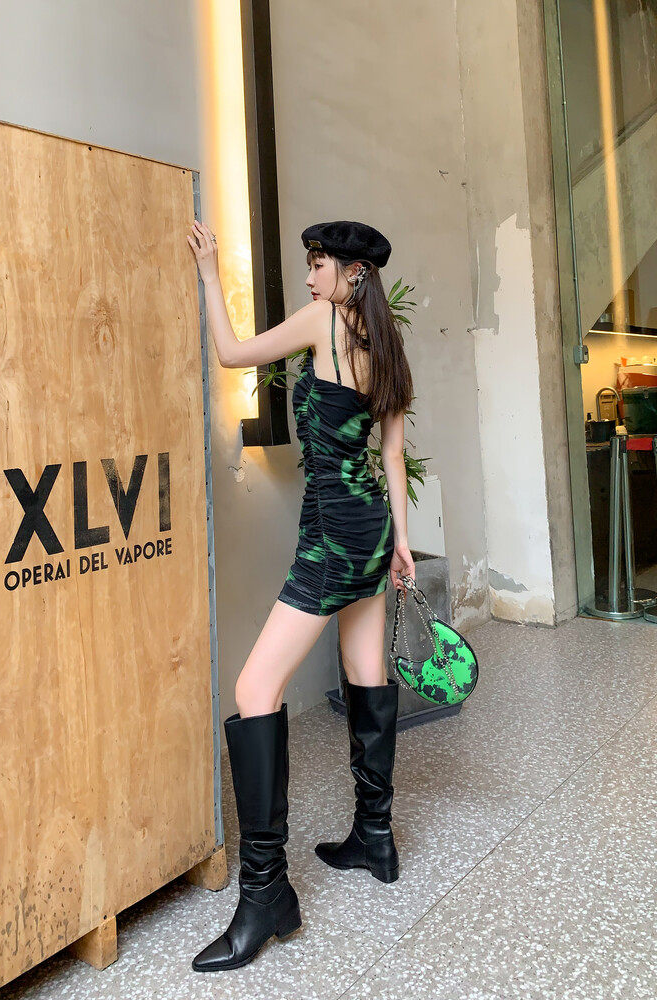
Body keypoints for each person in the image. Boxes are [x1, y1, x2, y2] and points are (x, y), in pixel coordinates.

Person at [185, 219, 415, 973]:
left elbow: (231, 353)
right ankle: (375, 839)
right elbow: (392, 453)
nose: (311, 277)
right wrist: (401, 542)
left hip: (333, 535)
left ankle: (266, 895)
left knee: (254, 688)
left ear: (353, 274)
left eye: (320, 265)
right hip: (372, 527)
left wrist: (210, 272)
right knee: (366, 671)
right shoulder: (385, 344)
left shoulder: (324, 322)